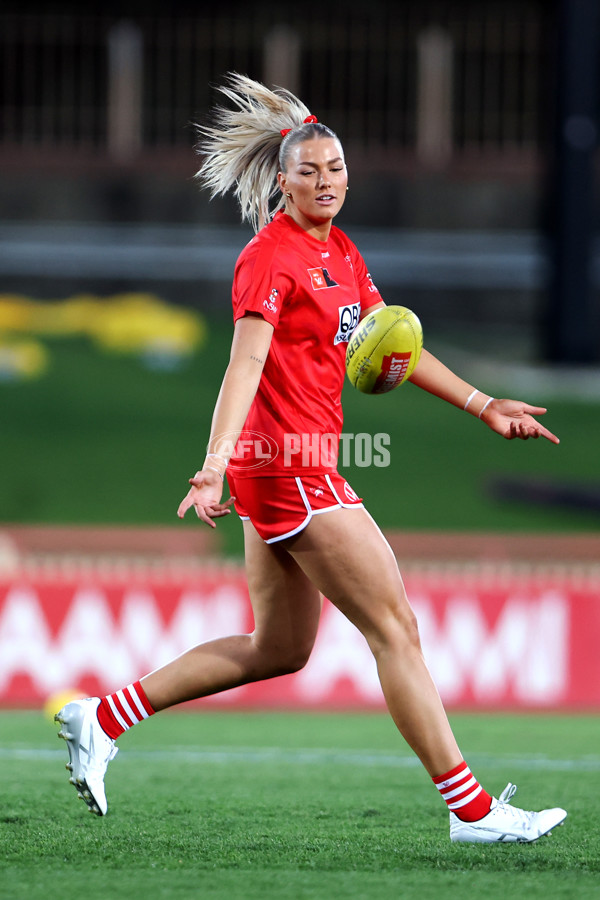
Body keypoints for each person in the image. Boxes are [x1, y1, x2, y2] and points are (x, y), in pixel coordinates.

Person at [56, 73, 567, 843]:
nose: (324, 181)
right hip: (289, 465)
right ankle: (473, 812)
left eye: (335, 169)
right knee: (395, 627)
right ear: (282, 180)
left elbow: (390, 342)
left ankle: (100, 717)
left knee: (279, 649)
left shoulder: (342, 251)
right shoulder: (270, 257)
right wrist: (214, 463)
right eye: (309, 171)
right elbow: (244, 366)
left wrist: (482, 404)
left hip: (288, 464)